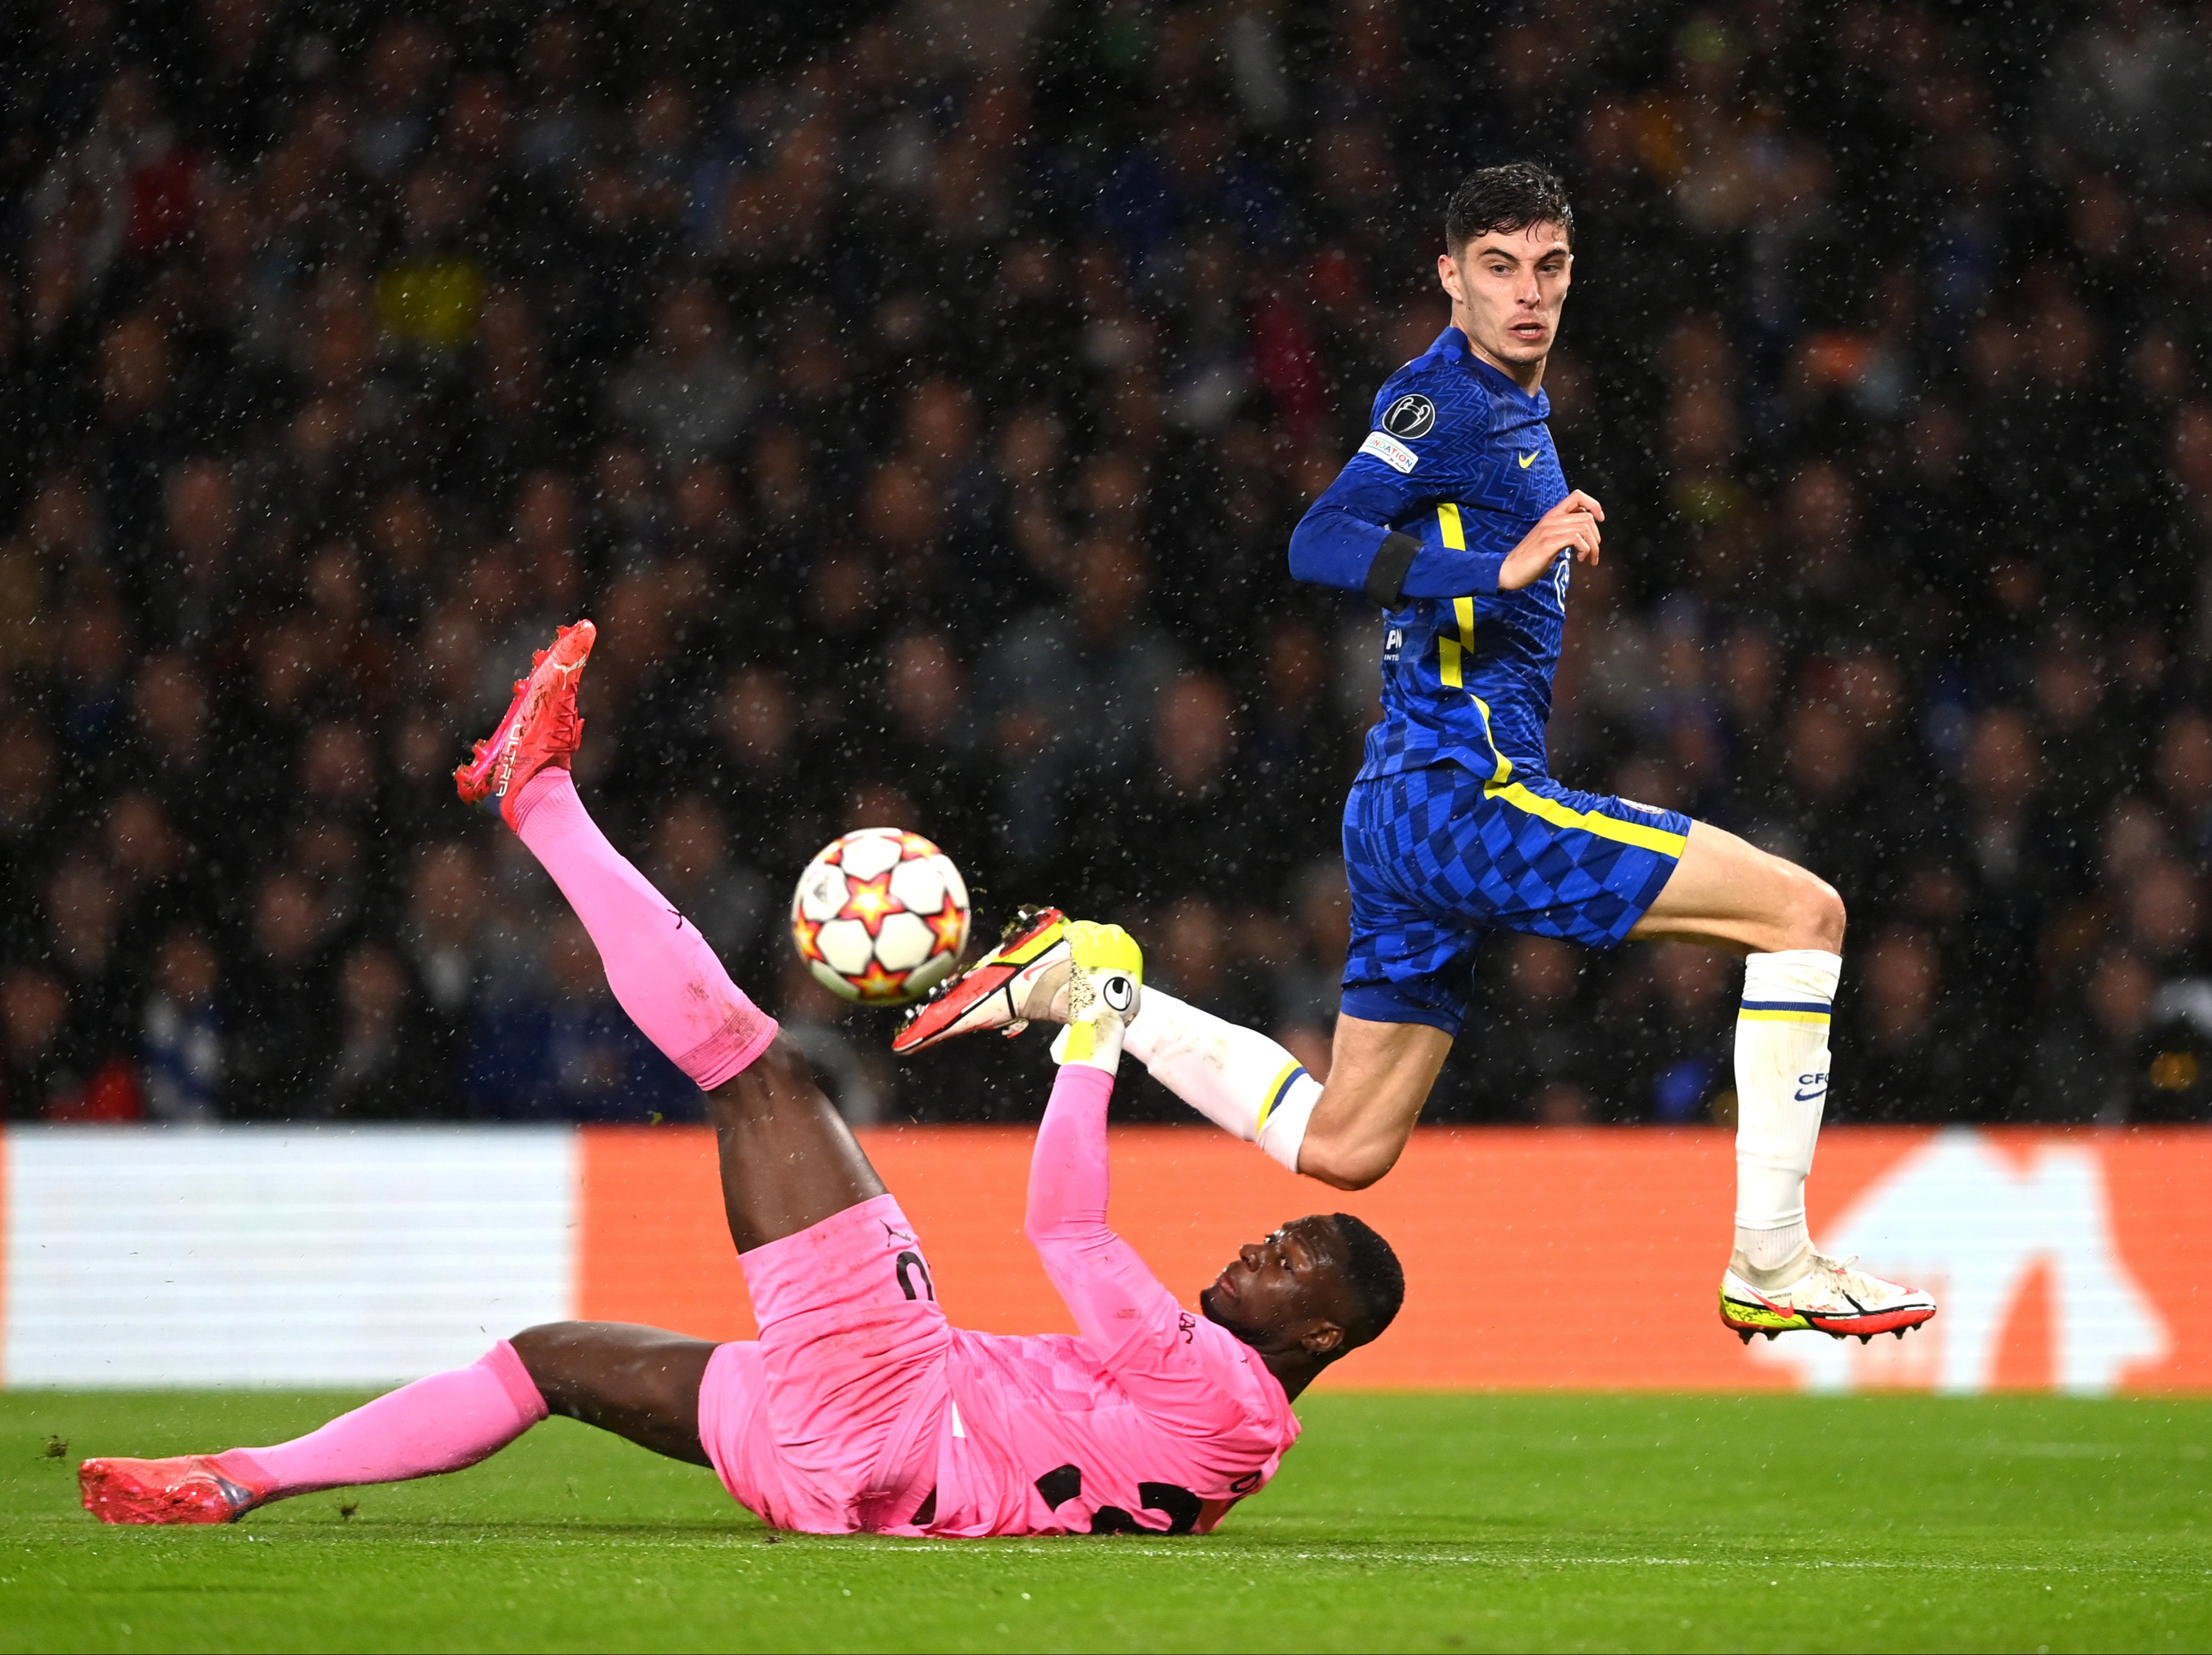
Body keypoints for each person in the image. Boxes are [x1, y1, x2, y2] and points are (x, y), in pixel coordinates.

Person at [896, 163, 1935, 1347]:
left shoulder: (1518, 414)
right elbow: (1320, 537)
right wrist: (1486, 571)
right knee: (1803, 915)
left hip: (1399, 809)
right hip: (1460, 792)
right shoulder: (1440, 403)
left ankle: (1095, 986)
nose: (1525, 293)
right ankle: (1772, 1257)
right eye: (1496, 267)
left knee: (1345, 1145)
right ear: (1450, 276)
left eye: (1546, 265)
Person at [79, 621, 1403, 1536]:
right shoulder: (1241, 1441)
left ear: (1322, 1336)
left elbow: (1061, 1222)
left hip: (895, 1404)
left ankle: (532, 791)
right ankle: (236, 1477)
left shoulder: (1216, 1382)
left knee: (760, 1074)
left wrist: (1094, 1029)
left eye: (1290, 1259)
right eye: (1282, 1226)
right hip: (837, 1475)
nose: (1258, 1244)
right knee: (549, 1362)